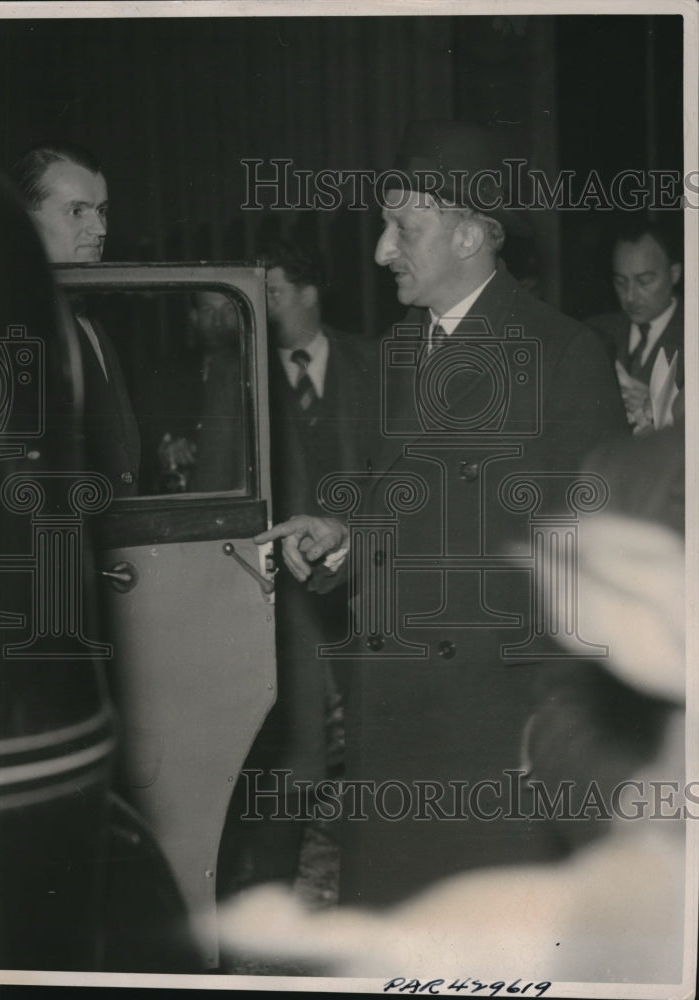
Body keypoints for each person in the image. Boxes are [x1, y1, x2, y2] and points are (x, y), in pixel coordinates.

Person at [255, 120, 628, 909]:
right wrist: (343, 539)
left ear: (468, 234)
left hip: (491, 735)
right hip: (394, 717)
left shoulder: (562, 355)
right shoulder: (396, 352)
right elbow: (397, 504)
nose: (384, 251)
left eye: (404, 228)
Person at [221, 429, 686, 985]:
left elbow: (569, 570)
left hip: (492, 699)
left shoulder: (632, 451)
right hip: (418, 695)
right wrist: (349, 538)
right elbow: (419, 499)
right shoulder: (407, 343)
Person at [218, 239, 379, 892]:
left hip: (366, 586)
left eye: (275, 292)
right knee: (298, 759)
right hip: (283, 605)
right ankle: (272, 896)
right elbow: (216, 490)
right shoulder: (239, 376)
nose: (262, 306)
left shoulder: (371, 364)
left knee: (372, 749)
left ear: (311, 294)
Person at [11, 141, 141, 497]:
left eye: (101, 210)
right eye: (76, 212)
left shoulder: (91, 316)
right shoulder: (16, 329)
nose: (99, 229)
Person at [137, 289, 246, 494]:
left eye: (228, 310)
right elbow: (141, 436)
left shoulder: (261, 370)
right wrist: (165, 447)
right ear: (194, 318)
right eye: (208, 310)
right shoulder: (166, 374)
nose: (219, 321)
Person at [588, 216, 683, 433]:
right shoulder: (592, 332)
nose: (630, 297)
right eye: (621, 282)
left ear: (675, 274)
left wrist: (663, 412)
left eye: (644, 281)